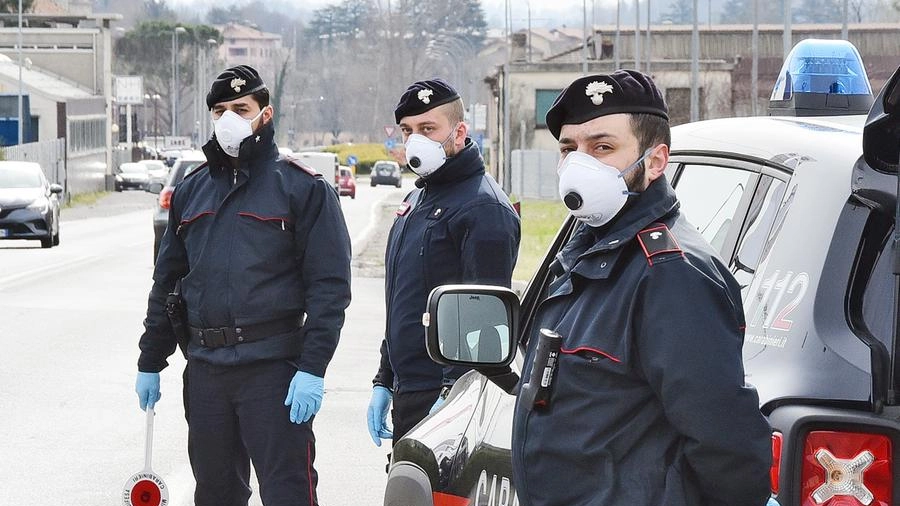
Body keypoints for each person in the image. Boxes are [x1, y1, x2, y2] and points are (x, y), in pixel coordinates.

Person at [510, 70, 771, 505]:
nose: (579, 164)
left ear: (655, 161)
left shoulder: (671, 275)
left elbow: (724, 439)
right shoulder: (584, 252)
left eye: (602, 147)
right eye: (569, 149)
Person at [134, 65, 351, 506]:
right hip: (207, 369)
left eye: (240, 108)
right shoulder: (192, 191)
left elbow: (329, 288)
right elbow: (168, 280)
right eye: (219, 110)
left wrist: (312, 367)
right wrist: (151, 357)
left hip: (272, 371)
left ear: (264, 114)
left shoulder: (301, 187)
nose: (228, 118)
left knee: (287, 492)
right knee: (214, 493)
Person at [367, 78, 521, 448]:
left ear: (459, 132)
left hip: (446, 398)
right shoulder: (416, 201)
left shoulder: (483, 209)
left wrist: (455, 392)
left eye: (427, 128)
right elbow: (404, 301)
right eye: (408, 130)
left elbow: (483, 318)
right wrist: (384, 378)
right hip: (410, 391)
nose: (414, 139)